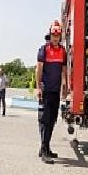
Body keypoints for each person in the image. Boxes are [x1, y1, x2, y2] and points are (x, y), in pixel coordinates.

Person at [35, 20, 67, 164]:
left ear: (60, 36)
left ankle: (46, 148)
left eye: (58, 35)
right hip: (46, 90)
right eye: (53, 35)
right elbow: (39, 69)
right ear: (50, 35)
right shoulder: (44, 49)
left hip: (56, 91)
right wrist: (38, 87)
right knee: (45, 120)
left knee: (52, 120)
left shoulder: (63, 51)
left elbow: (64, 70)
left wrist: (65, 86)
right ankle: (44, 150)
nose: (55, 37)